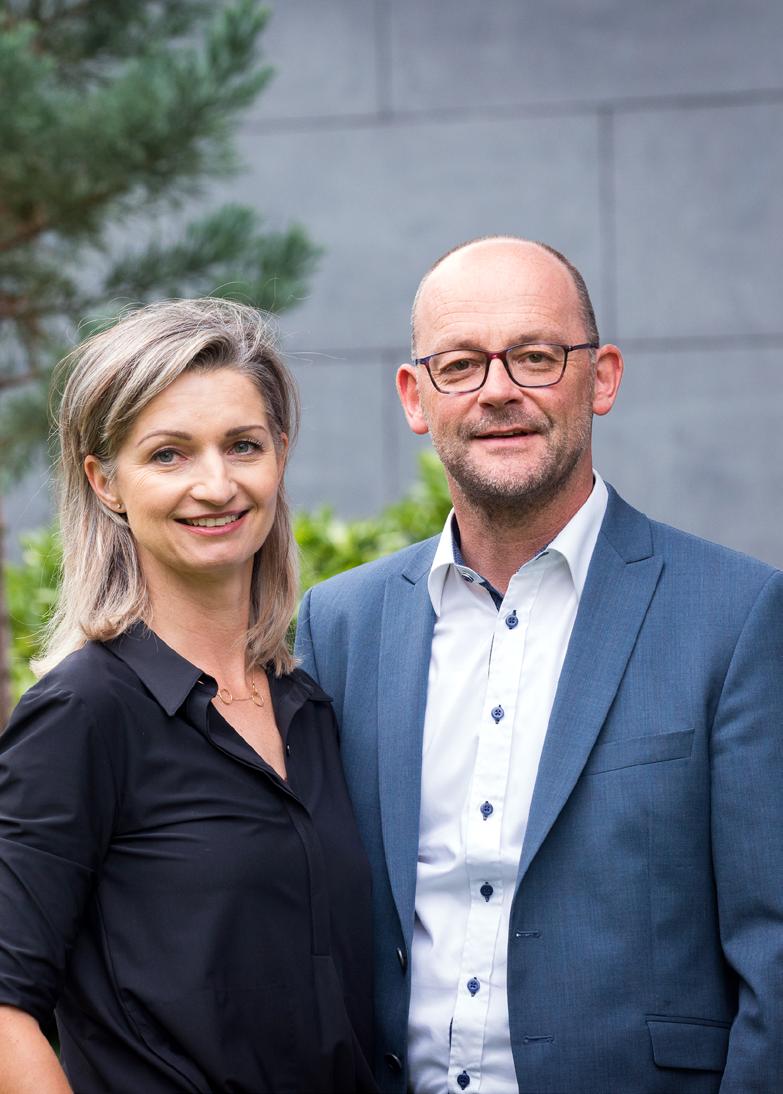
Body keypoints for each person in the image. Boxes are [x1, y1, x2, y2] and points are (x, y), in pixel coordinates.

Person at [295, 237, 783, 1094]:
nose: (497, 391)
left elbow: (772, 951)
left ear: (602, 377)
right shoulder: (339, 625)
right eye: (459, 365)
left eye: (534, 356)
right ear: (414, 397)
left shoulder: (736, 615)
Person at [0, 299, 377, 1094]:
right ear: (106, 482)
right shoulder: (84, 714)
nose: (216, 485)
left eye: (242, 445)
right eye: (168, 454)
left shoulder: (308, 704)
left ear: (279, 455)